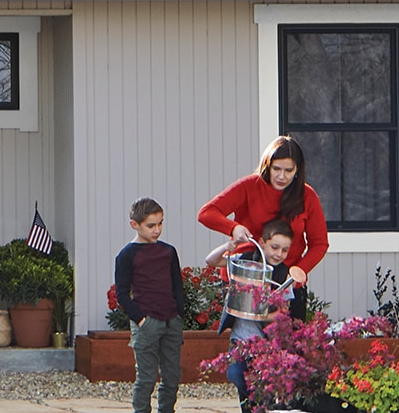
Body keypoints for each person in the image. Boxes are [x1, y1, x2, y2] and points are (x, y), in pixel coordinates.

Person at [197, 135, 329, 288]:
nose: (282, 176)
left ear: (297, 170)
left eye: (288, 170)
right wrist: (234, 228)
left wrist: (298, 271)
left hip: (286, 279)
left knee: (286, 313)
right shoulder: (249, 186)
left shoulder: (307, 196)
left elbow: (319, 243)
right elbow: (206, 213)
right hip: (244, 273)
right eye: (276, 169)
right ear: (267, 165)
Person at [204, 219, 308, 411]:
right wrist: (229, 246)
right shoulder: (246, 261)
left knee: (263, 387)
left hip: (266, 344)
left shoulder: (283, 274)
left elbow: (282, 314)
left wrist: (257, 315)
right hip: (241, 340)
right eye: (274, 247)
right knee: (237, 375)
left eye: (284, 250)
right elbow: (211, 261)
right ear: (262, 243)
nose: (279, 254)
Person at [114, 198, 185, 413]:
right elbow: (122, 294)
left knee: (172, 376)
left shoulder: (169, 251)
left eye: (160, 224)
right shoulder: (127, 255)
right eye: (151, 225)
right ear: (134, 224)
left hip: (171, 321)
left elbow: (177, 285)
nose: (157, 230)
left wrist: (178, 315)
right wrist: (141, 320)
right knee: (145, 378)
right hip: (147, 322)